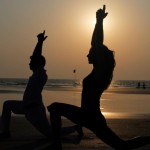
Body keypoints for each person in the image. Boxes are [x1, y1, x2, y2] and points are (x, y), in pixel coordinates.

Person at [47, 5, 150, 150]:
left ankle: (56, 146)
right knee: (55, 108)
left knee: (122, 146)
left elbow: (96, 43)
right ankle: (56, 145)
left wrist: (99, 21)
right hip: (87, 116)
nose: (87, 55)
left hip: (91, 117)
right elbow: (96, 45)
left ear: (98, 56)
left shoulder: (100, 73)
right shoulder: (99, 72)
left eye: (90, 52)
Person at [0, 31, 78, 139]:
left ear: (38, 64)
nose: (29, 63)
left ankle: (75, 128)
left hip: (34, 111)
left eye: (31, 62)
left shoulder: (40, 74)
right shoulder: (36, 75)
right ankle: (5, 132)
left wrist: (40, 42)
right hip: (25, 106)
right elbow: (35, 57)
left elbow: (36, 56)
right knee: (7, 104)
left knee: (51, 134)